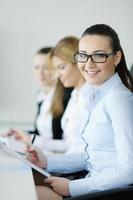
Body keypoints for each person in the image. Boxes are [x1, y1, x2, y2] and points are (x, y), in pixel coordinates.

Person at [27, 24, 133, 200]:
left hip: (108, 192)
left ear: (116, 58)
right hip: (95, 184)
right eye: (83, 55)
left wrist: (72, 187)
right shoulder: (96, 96)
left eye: (99, 55)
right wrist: (47, 161)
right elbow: (93, 154)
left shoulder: (118, 99)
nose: (88, 64)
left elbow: (130, 170)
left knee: (30, 193)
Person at [5, 47, 72, 154]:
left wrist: (30, 139)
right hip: (43, 156)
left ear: (56, 69)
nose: (40, 72)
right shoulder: (41, 96)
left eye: (46, 67)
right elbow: (41, 134)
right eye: (37, 67)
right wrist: (18, 134)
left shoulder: (67, 96)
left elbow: (68, 143)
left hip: (59, 159)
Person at [36, 36, 94, 154]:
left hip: (78, 170)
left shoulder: (91, 98)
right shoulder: (75, 95)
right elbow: (69, 145)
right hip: (69, 165)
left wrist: (49, 162)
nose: (58, 75)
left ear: (78, 63)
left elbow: (85, 154)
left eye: (61, 67)